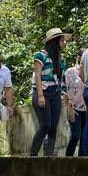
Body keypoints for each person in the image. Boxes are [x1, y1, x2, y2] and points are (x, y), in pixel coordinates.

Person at [31, 28, 71, 156]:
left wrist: (65, 95)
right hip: (42, 93)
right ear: (56, 41)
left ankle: (48, 156)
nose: (64, 43)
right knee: (45, 125)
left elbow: (61, 79)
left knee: (53, 127)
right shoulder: (40, 55)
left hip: (55, 94)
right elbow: (37, 76)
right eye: (62, 40)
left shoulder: (61, 59)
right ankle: (33, 155)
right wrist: (41, 95)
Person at [64, 49, 88, 157]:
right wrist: (69, 106)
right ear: (78, 57)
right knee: (75, 135)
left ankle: (81, 161)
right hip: (74, 107)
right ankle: (67, 160)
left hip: (87, 107)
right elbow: (65, 90)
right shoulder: (70, 72)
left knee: (84, 136)